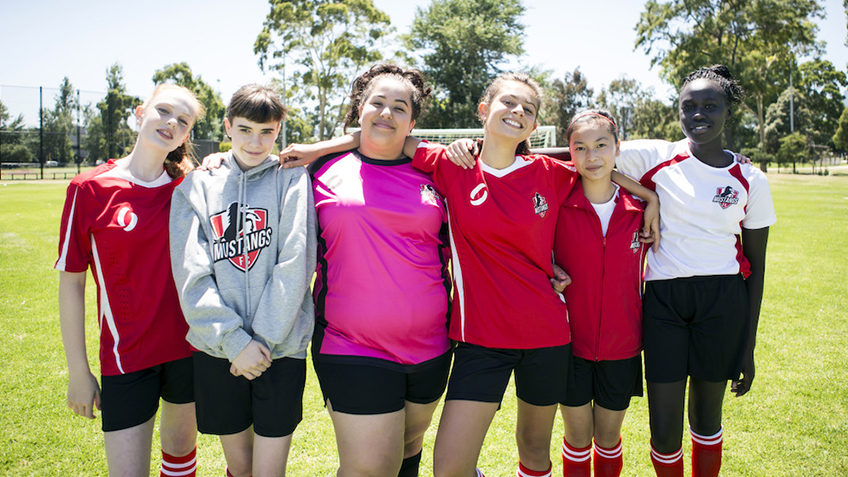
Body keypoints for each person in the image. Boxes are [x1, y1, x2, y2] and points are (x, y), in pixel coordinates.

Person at [286, 71, 658, 477]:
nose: (517, 112)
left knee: (534, 451)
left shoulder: (550, 172)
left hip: (546, 334)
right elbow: (383, 135)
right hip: (479, 338)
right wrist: (321, 147)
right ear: (484, 110)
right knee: (449, 468)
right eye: (508, 103)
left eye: (528, 109)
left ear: (534, 125)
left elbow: (597, 166)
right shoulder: (451, 165)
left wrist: (648, 197)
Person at [276, 63, 451, 477]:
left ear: (412, 121)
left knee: (409, 447)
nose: (387, 113)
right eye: (378, 103)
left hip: (432, 345)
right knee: (371, 468)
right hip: (350, 344)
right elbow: (248, 171)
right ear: (360, 110)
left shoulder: (438, 174)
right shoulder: (316, 170)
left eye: (399, 107)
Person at [614, 65, 776, 477]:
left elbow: (756, 269)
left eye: (710, 106)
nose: (699, 114)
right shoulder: (655, 156)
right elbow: (587, 149)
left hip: (723, 303)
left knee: (706, 420)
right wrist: (648, 194)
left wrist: (748, 345)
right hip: (665, 303)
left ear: (727, 111)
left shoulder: (749, 178)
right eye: (689, 106)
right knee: (664, 430)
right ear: (678, 111)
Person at [56, 84, 205, 477]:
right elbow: (72, 284)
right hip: (126, 358)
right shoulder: (88, 189)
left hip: (189, 349)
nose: (171, 122)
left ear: (187, 135)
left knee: (180, 459)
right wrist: (78, 371)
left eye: (183, 120)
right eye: (164, 111)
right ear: (141, 113)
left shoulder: (191, 187)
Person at [169, 84, 316, 477]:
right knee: (241, 467)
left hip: (280, 349)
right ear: (228, 126)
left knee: (269, 471)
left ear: (279, 130)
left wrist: (261, 342)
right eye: (246, 129)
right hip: (219, 350)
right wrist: (236, 344)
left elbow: (296, 262)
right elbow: (191, 275)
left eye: (267, 132)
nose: (256, 141)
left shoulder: (293, 179)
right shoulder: (196, 186)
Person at [552, 110, 647, 477]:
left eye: (601, 146)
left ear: (617, 147)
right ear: (569, 153)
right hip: (568, 344)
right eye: (581, 148)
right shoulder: (557, 205)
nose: (592, 157)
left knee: (608, 438)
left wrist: (650, 200)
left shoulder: (639, 210)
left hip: (622, 345)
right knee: (577, 437)